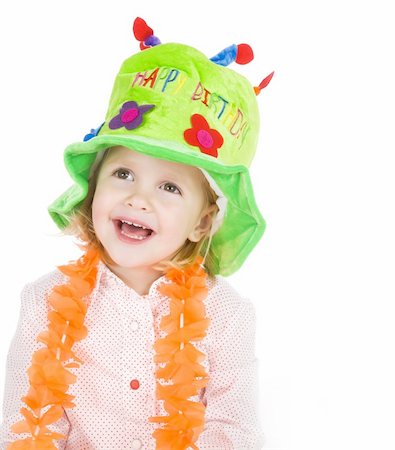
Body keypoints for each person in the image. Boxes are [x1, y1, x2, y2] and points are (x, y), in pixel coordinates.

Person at [0, 16, 273, 450]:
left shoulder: (227, 316)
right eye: (123, 173)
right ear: (92, 188)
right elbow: (29, 423)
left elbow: (233, 430)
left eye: (169, 187)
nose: (139, 198)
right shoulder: (43, 302)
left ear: (203, 221)